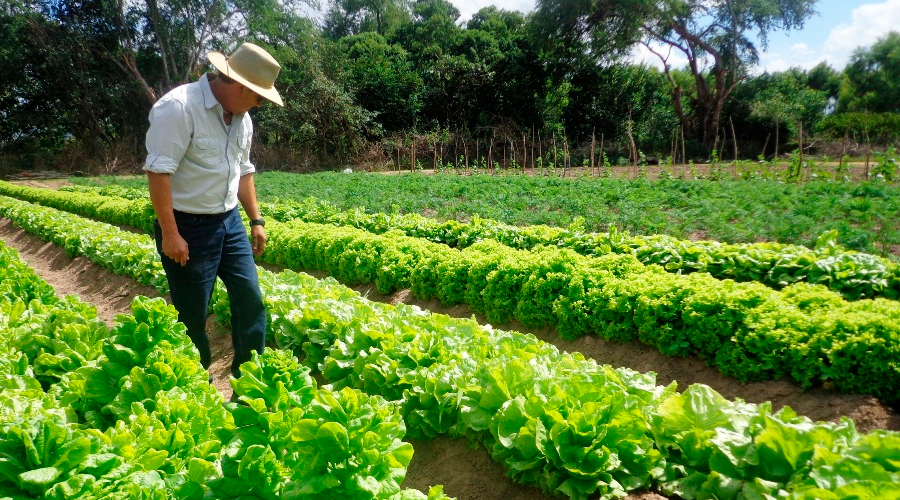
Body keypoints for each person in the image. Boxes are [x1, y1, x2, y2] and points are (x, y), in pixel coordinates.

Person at [143, 42, 283, 385]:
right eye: (258, 97)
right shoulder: (178, 108)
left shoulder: (242, 119)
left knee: (251, 302)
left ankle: (249, 385)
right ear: (238, 85)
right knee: (191, 315)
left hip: (229, 221)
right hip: (188, 225)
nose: (260, 104)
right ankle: (196, 386)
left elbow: (244, 171)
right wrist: (171, 233)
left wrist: (256, 220)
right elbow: (158, 172)